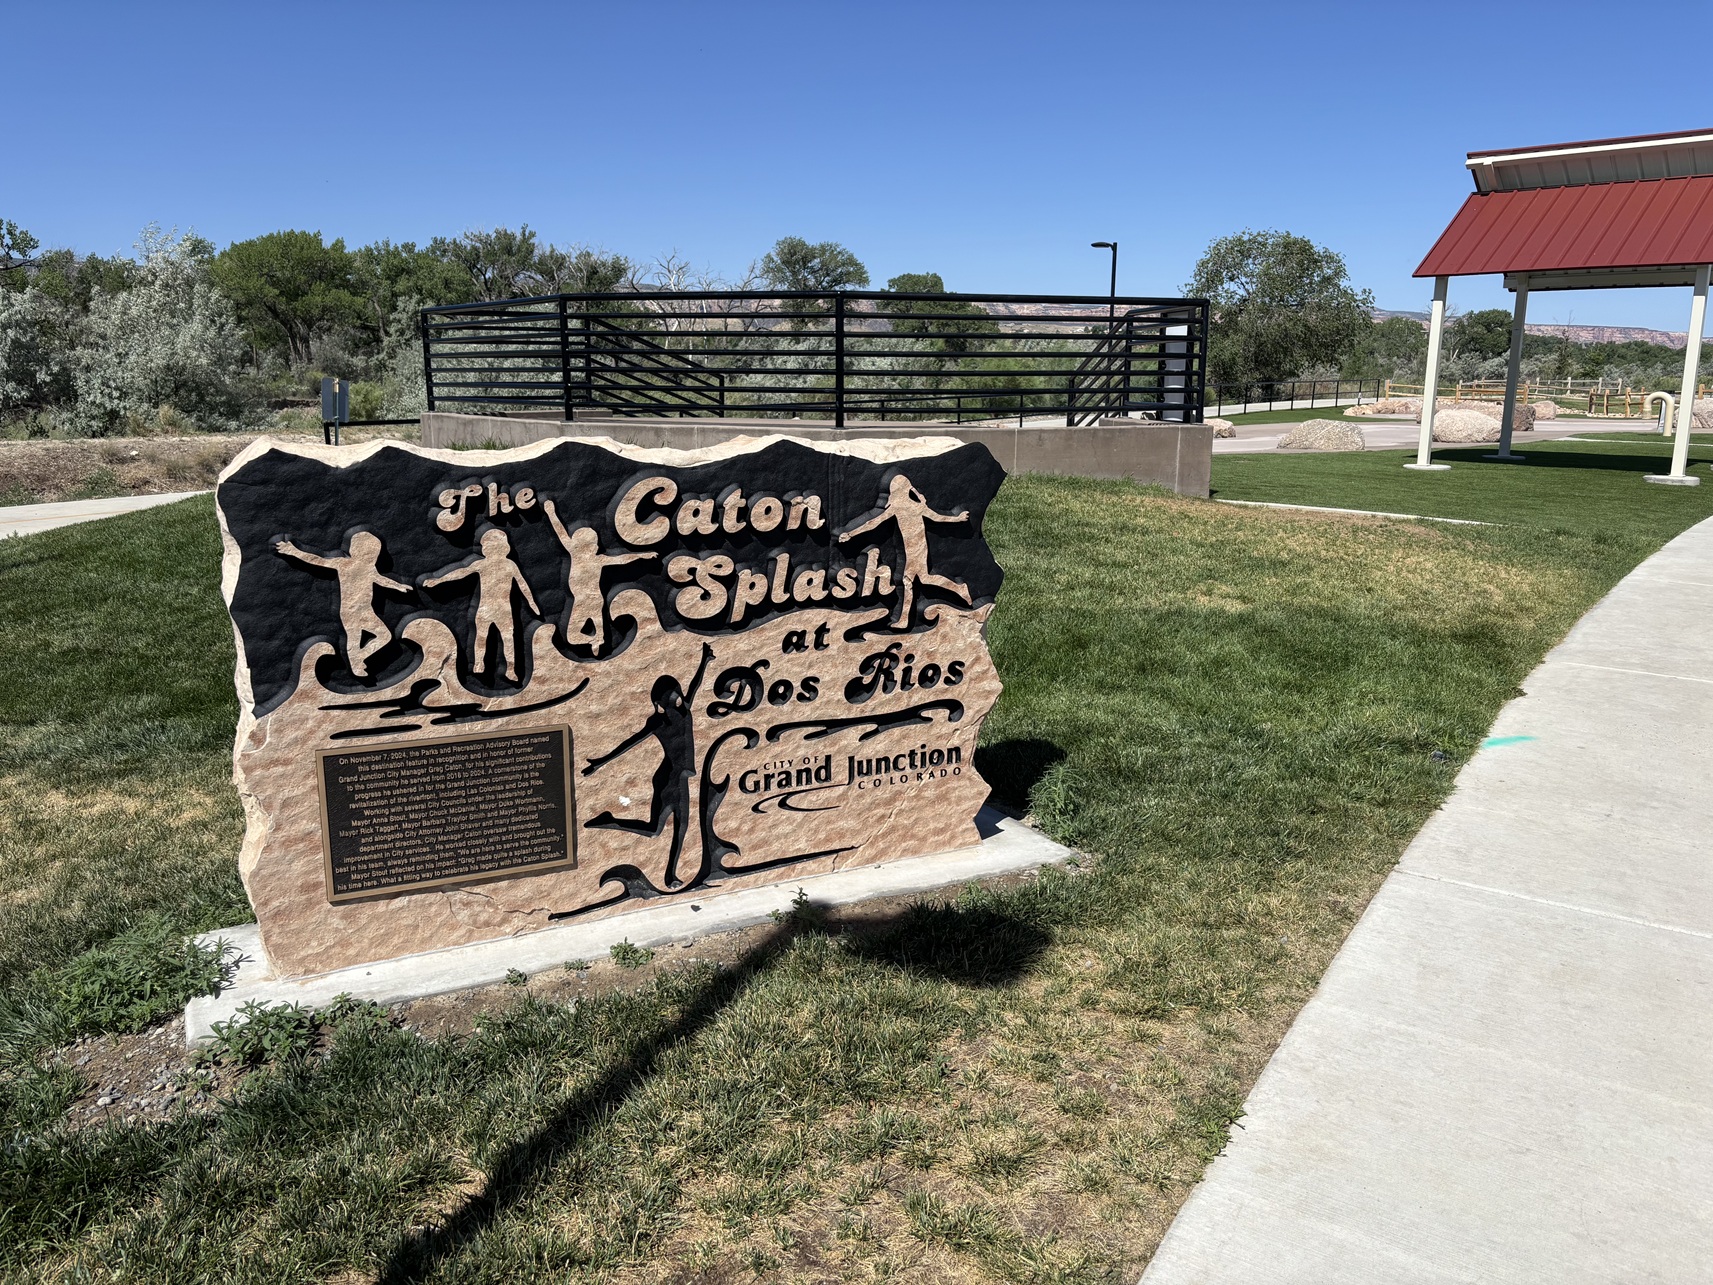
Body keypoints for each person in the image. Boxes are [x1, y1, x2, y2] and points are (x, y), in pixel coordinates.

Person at [582, 641, 715, 888]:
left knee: (675, 828)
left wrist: (704, 661)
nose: (678, 697)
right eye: (672, 695)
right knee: (661, 829)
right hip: (669, 777)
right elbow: (629, 743)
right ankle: (612, 824)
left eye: (677, 693)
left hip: (681, 777)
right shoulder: (658, 723)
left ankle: (668, 873)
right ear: (660, 702)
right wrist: (600, 763)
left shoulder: (684, 712)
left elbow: (694, 687)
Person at [837, 472, 972, 627]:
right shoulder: (912, 506)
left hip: (917, 550)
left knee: (910, 581)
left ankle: (905, 619)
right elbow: (874, 522)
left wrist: (851, 533)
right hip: (913, 550)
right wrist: (851, 533)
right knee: (920, 579)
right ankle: (957, 589)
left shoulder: (906, 507)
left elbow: (874, 522)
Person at [274, 530, 412, 678]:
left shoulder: (369, 568)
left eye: (374, 553)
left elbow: (380, 579)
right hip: (350, 611)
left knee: (384, 636)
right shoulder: (344, 564)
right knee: (354, 638)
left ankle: (360, 656)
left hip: (366, 610)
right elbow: (318, 560)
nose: (373, 557)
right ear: (356, 550)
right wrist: (293, 551)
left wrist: (398, 586)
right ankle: (355, 665)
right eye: (370, 552)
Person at [422, 528, 541, 682]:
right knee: (483, 637)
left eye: (494, 546)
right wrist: (439, 580)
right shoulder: (483, 564)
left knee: (506, 639)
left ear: (503, 547)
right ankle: (479, 664)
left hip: (503, 611)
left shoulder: (509, 565)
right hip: (486, 609)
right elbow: (461, 572)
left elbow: (522, 584)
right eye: (489, 546)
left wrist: (532, 602)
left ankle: (510, 669)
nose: (492, 549)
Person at [543, 499, 655, 653]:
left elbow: (622, 559)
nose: (597, 546)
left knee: (575, 636)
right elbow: (561, 533)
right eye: (594, 543)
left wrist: (551, 512)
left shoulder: (591, 558)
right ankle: (597, 640)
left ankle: (598, 640)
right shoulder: (584, 556)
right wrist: (551, 513)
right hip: (588, 600)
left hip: (588, 600)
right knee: (577, 635)